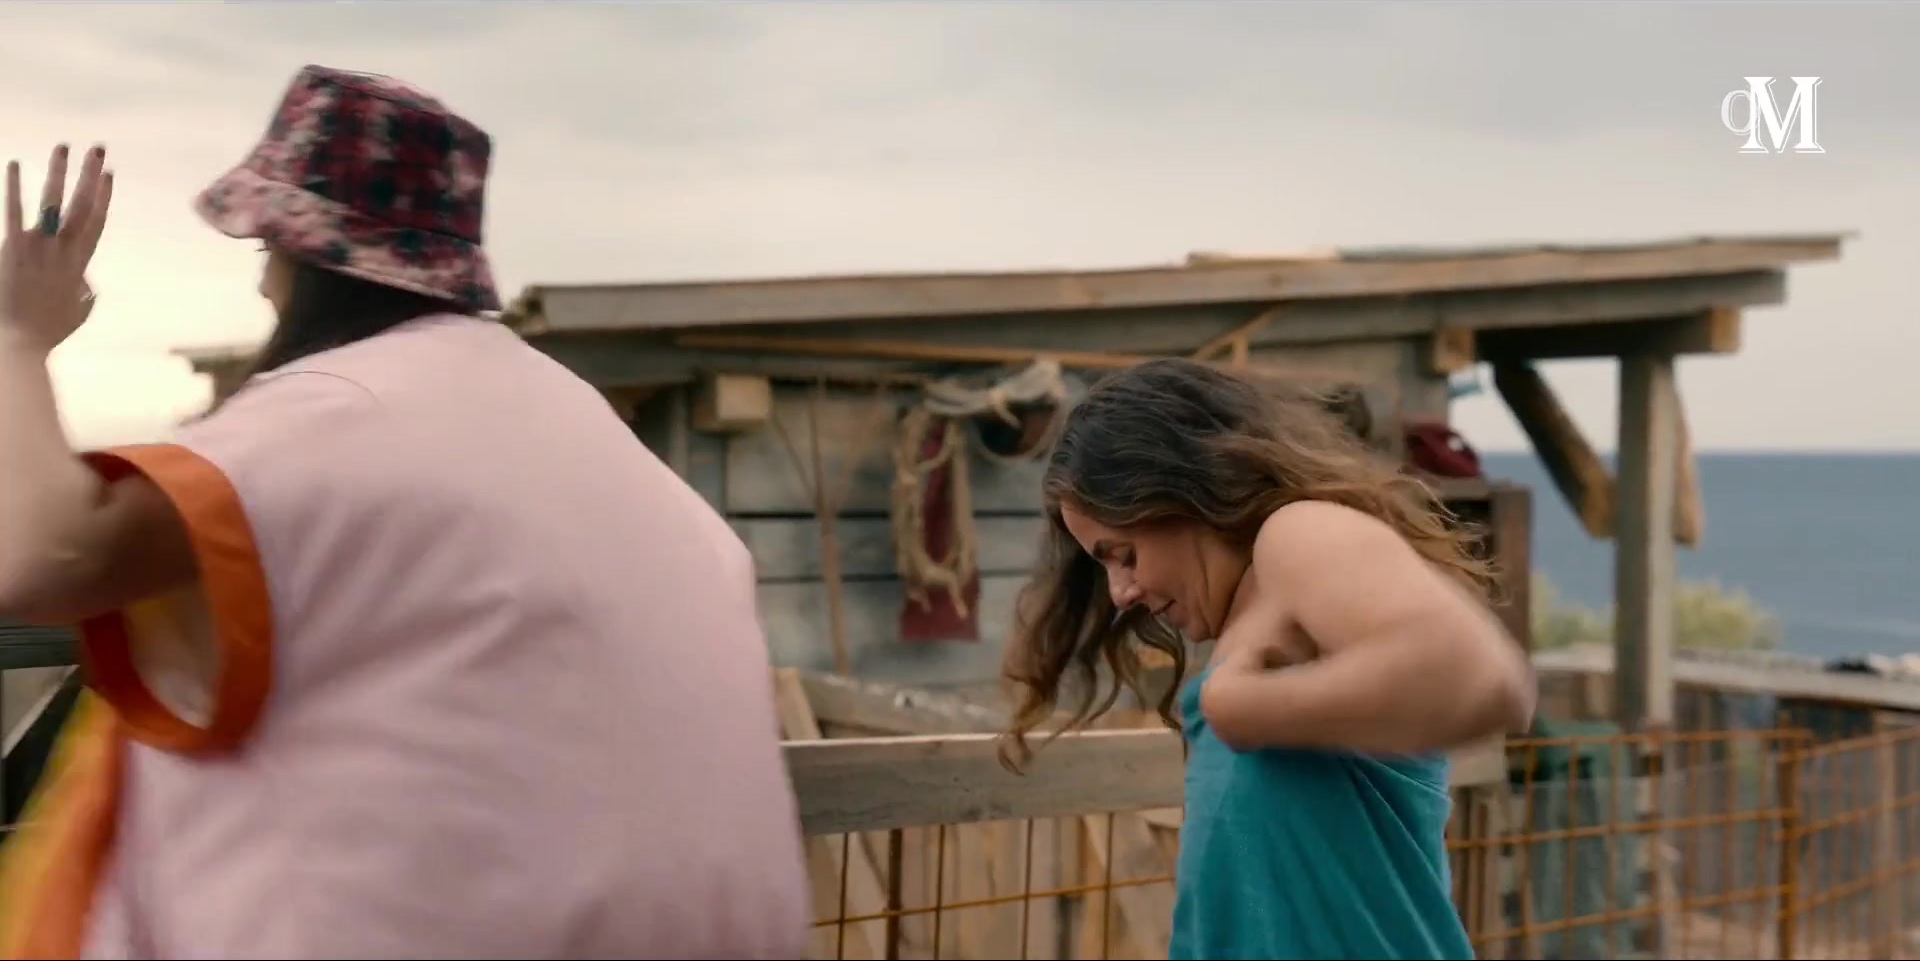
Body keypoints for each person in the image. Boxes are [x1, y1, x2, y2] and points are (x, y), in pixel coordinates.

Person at [0, 65, 809, 958]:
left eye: (268, 252)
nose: (264, 286)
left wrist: (20, 336)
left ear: (304, 259)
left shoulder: (342, 409)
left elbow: (42, 556)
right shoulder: (571, 415)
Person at [998, 359, 1535, 960]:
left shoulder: (1297, 533)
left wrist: (1244, 707)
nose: (1121, 593)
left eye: (1123, 554)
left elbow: (1473, 675)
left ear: (1181, 491)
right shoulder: (1248, 623)